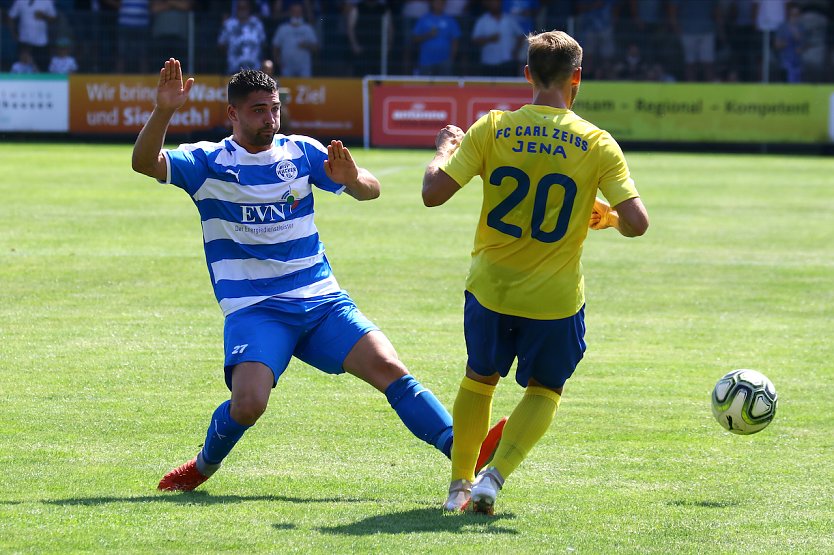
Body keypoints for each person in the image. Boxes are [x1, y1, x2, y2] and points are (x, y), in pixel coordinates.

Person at [132, 58, 505, 492]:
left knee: (389, 366)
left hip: (321, 300)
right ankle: (203, 465)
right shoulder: (208, 162)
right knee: (249, 404)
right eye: (257, 110)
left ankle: (462, 449)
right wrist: (163, 111)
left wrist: (353, 178)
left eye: (274, 108)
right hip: (257, 308)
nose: (269, 119)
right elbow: (145, 163)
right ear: (232, 114)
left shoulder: (300, 152)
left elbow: (370, 189)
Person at [421, 30, 649, 514]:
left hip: (489, 288)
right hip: (554, 299)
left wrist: (444, 148)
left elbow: (433, 193)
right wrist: (605, 216)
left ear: (527, 74)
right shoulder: (596, 143)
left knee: (479, 379)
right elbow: (638, 223)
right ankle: (493, 479)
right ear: (577, 78)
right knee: (546, 388)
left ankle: (458, 485)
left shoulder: (493, 127)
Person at [411, 0, 461, 76]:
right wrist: (428, 35)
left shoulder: (450, 20)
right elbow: (414, 38)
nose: (439, 5)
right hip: (426, 62)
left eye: (441, 3)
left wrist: (451, 59)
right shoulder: (424, 19)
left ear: (445, 4)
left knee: (444, 87)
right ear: (432, 4)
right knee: (425, 87)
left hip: (445, 62)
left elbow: (455, 41)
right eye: (437, 2)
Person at [218, 0, 268, 75]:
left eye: (244, 8)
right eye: (240, 8)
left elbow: (263, 44)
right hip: (234, 69)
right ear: (236, 9)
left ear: (249, 9)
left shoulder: (257, 24)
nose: (242, 10)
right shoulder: (229, 24)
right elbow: (221, 44)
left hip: (254, 69)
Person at [271, 1, 319, 78]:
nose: (296, 14)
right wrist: (278, 62)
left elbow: (316, 47)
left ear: (302, 13)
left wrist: (307, 45)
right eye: (294, 11)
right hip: (287, 67)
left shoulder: (308, 28)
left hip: (304, 68)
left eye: (299, 12)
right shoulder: (283, 28)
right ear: (290, 12)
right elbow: (275, 46)